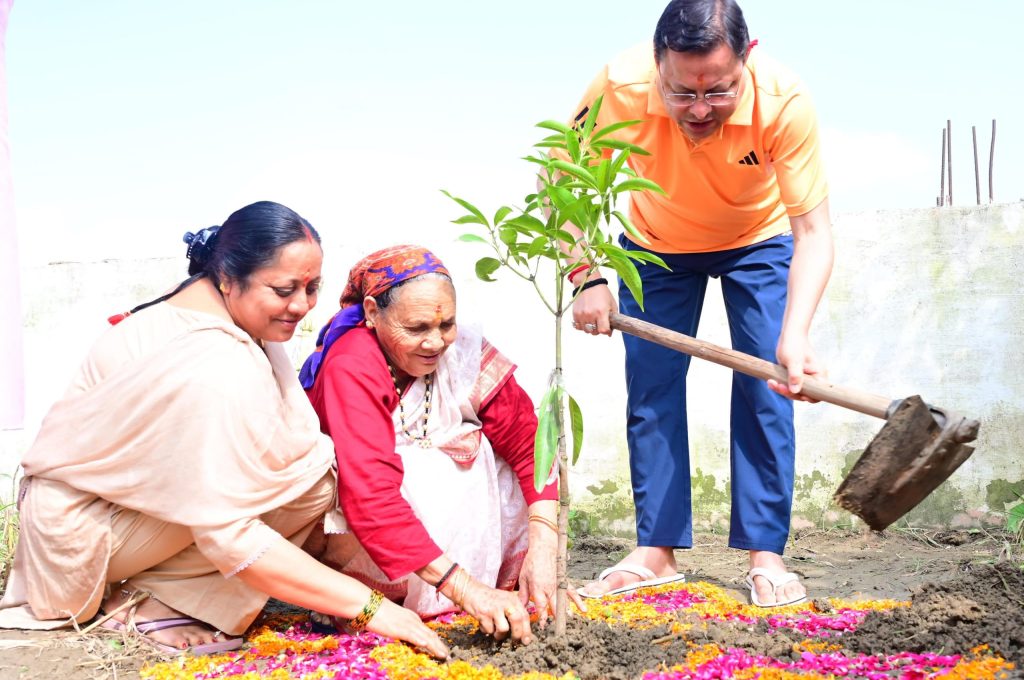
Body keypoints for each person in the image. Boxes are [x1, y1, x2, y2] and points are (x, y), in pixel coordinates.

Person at [0, 202, 448, 658]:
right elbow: (228, 533)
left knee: (309, 472)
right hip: (80, 534)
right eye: (283, 289)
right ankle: (147, 600)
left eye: (312, 287)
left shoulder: (216, 310)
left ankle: (160, 590)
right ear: (228, 279)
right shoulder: (214, 362)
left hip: (118, 511)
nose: (301, 305)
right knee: (303, 477)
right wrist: (374, 609)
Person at [567, 0, 833, 607]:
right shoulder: (617, 86)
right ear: (656, 66)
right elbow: (559, 188)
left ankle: (767, 554)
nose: (698, 109)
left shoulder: (784, 100)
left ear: (748, 56)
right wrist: (586, 278)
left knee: (770, 382)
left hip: (758, 239)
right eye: (681, 92)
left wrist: (796, 335)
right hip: (655, 243)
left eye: (719, 92)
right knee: (653, 388)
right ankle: (655, 551)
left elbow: (814, 233)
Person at [300, 245, 565, 644]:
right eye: (417, 328)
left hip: (427, 537)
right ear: (372, 312)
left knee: (494, 456)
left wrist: (543, 546)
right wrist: (467, 590)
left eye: (446, 325)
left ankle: (479, 585)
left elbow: (530, 445)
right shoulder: (351, 362)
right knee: (411, 471)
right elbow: (370, 495)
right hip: (363, 519)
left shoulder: (463, 350)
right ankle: (368, 597)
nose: (436, 343)